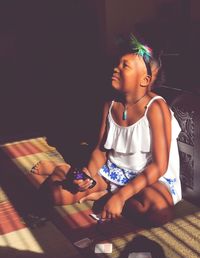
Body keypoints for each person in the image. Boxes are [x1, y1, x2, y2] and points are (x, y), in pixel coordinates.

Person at [32, 34, 182, 225]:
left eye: (124, 66)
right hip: (113, 172)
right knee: (55, 195)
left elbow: (159, 166)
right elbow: (100, 150)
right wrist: (87, 173)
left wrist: (120, 197)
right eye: (117, 64)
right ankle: (67, 171)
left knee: (159, 212)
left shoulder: (156, 108)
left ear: (144, 80)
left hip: (149, 179)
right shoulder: (110, 105)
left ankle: (108, 195)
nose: (115, 68)